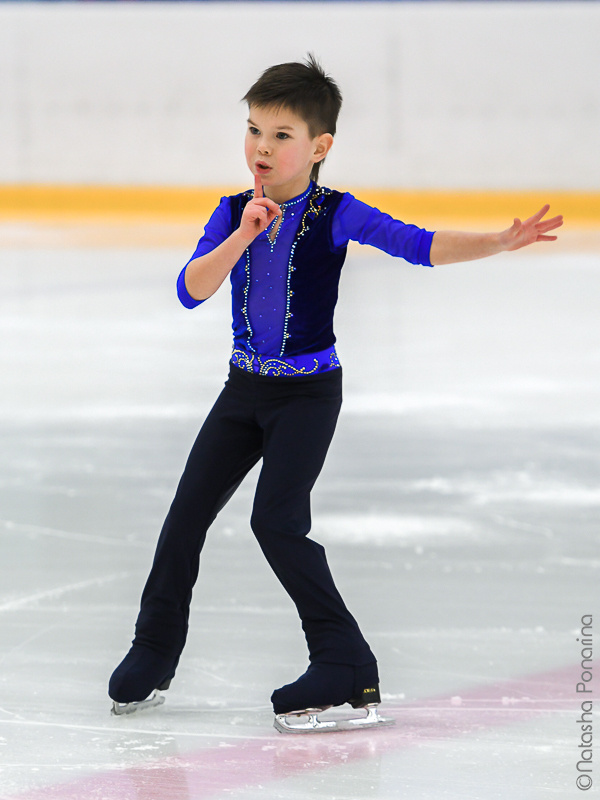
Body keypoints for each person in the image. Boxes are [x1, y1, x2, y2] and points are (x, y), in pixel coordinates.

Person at [108, 55, 562, 728]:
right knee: (185, 516)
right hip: (242, 391)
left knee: (276, 522)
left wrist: (498, 240)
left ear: (319, 147)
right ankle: (154, 650)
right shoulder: (233, 212)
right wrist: (242, 235)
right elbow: (190, 289)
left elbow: (417, 244)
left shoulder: (336, 213)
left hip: (307, 396)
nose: (262, 147)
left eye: (281, 135)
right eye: (253, 130)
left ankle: (345, 662)